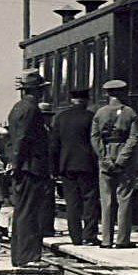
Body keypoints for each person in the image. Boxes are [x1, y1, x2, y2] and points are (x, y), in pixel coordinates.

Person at [6, 71, 54, 269]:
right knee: (30, 212)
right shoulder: (31, 109)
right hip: (31, 168)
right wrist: (17, 164)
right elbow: (22, 139)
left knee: (23, 211)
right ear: (37, 90)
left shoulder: (18, 108)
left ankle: (21, 255)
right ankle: (28, 257)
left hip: (25, 167)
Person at [92, 79, 138, 249]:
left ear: (107, 93)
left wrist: (105, 159)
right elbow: (134, 137)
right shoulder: (130, 113)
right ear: (123, 93)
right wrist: (122, 159)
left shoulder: (99, 113)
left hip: (105, 156)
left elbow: (95, 138)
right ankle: (122, 240)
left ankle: (106, 240)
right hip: (125, 159)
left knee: (106, 200)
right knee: (125, 199)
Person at [50, 88, 99, 245]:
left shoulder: (60, 118)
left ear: (72, 100)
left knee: (72, 203)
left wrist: (55, 168)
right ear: (86, 101)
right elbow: (94, 143)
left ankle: (75, 237)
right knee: (89, 201)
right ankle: (89, 236)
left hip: (66, 166)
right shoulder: (91, 118)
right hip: (87, 165)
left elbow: (54, 145)